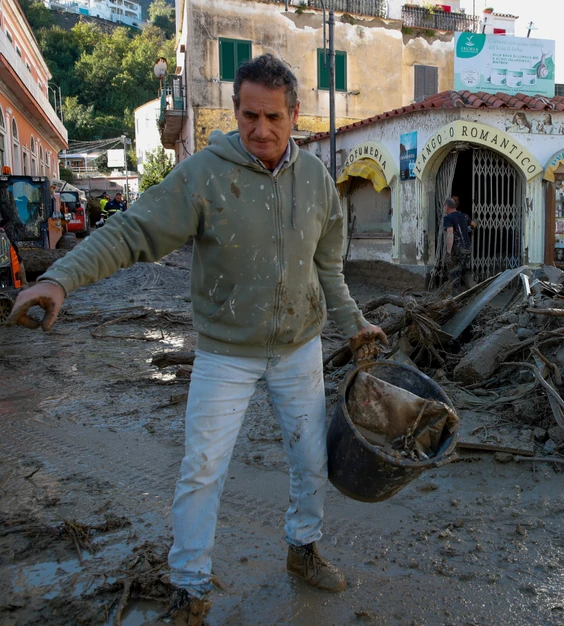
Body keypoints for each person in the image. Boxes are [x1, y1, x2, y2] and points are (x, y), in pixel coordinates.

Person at [5, 54, 387, 625]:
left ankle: (303, 550)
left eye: (273, 117)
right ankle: (189, 587)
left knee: (310, 462)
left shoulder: (317, 184)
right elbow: (133, 231)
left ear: (295, 115)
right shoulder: (205, 174)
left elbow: (328, 269)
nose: (261, 129)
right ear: (235, 111)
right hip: (225, 354)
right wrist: (60, 278)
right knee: (202, 468)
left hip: (298, 350)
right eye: (249, 115)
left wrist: (353, 323)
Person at [442, 197, 475, 294]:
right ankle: (476, 292)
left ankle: (456, 297)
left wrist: (448, 252)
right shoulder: (464, 216)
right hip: (467, 248)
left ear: (446, 206)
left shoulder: (448, 218)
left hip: (457, 250)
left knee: (454, 273)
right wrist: (473, 225)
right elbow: (473, 224)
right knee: (466, 271)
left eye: (444, 207)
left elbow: (450, 234)